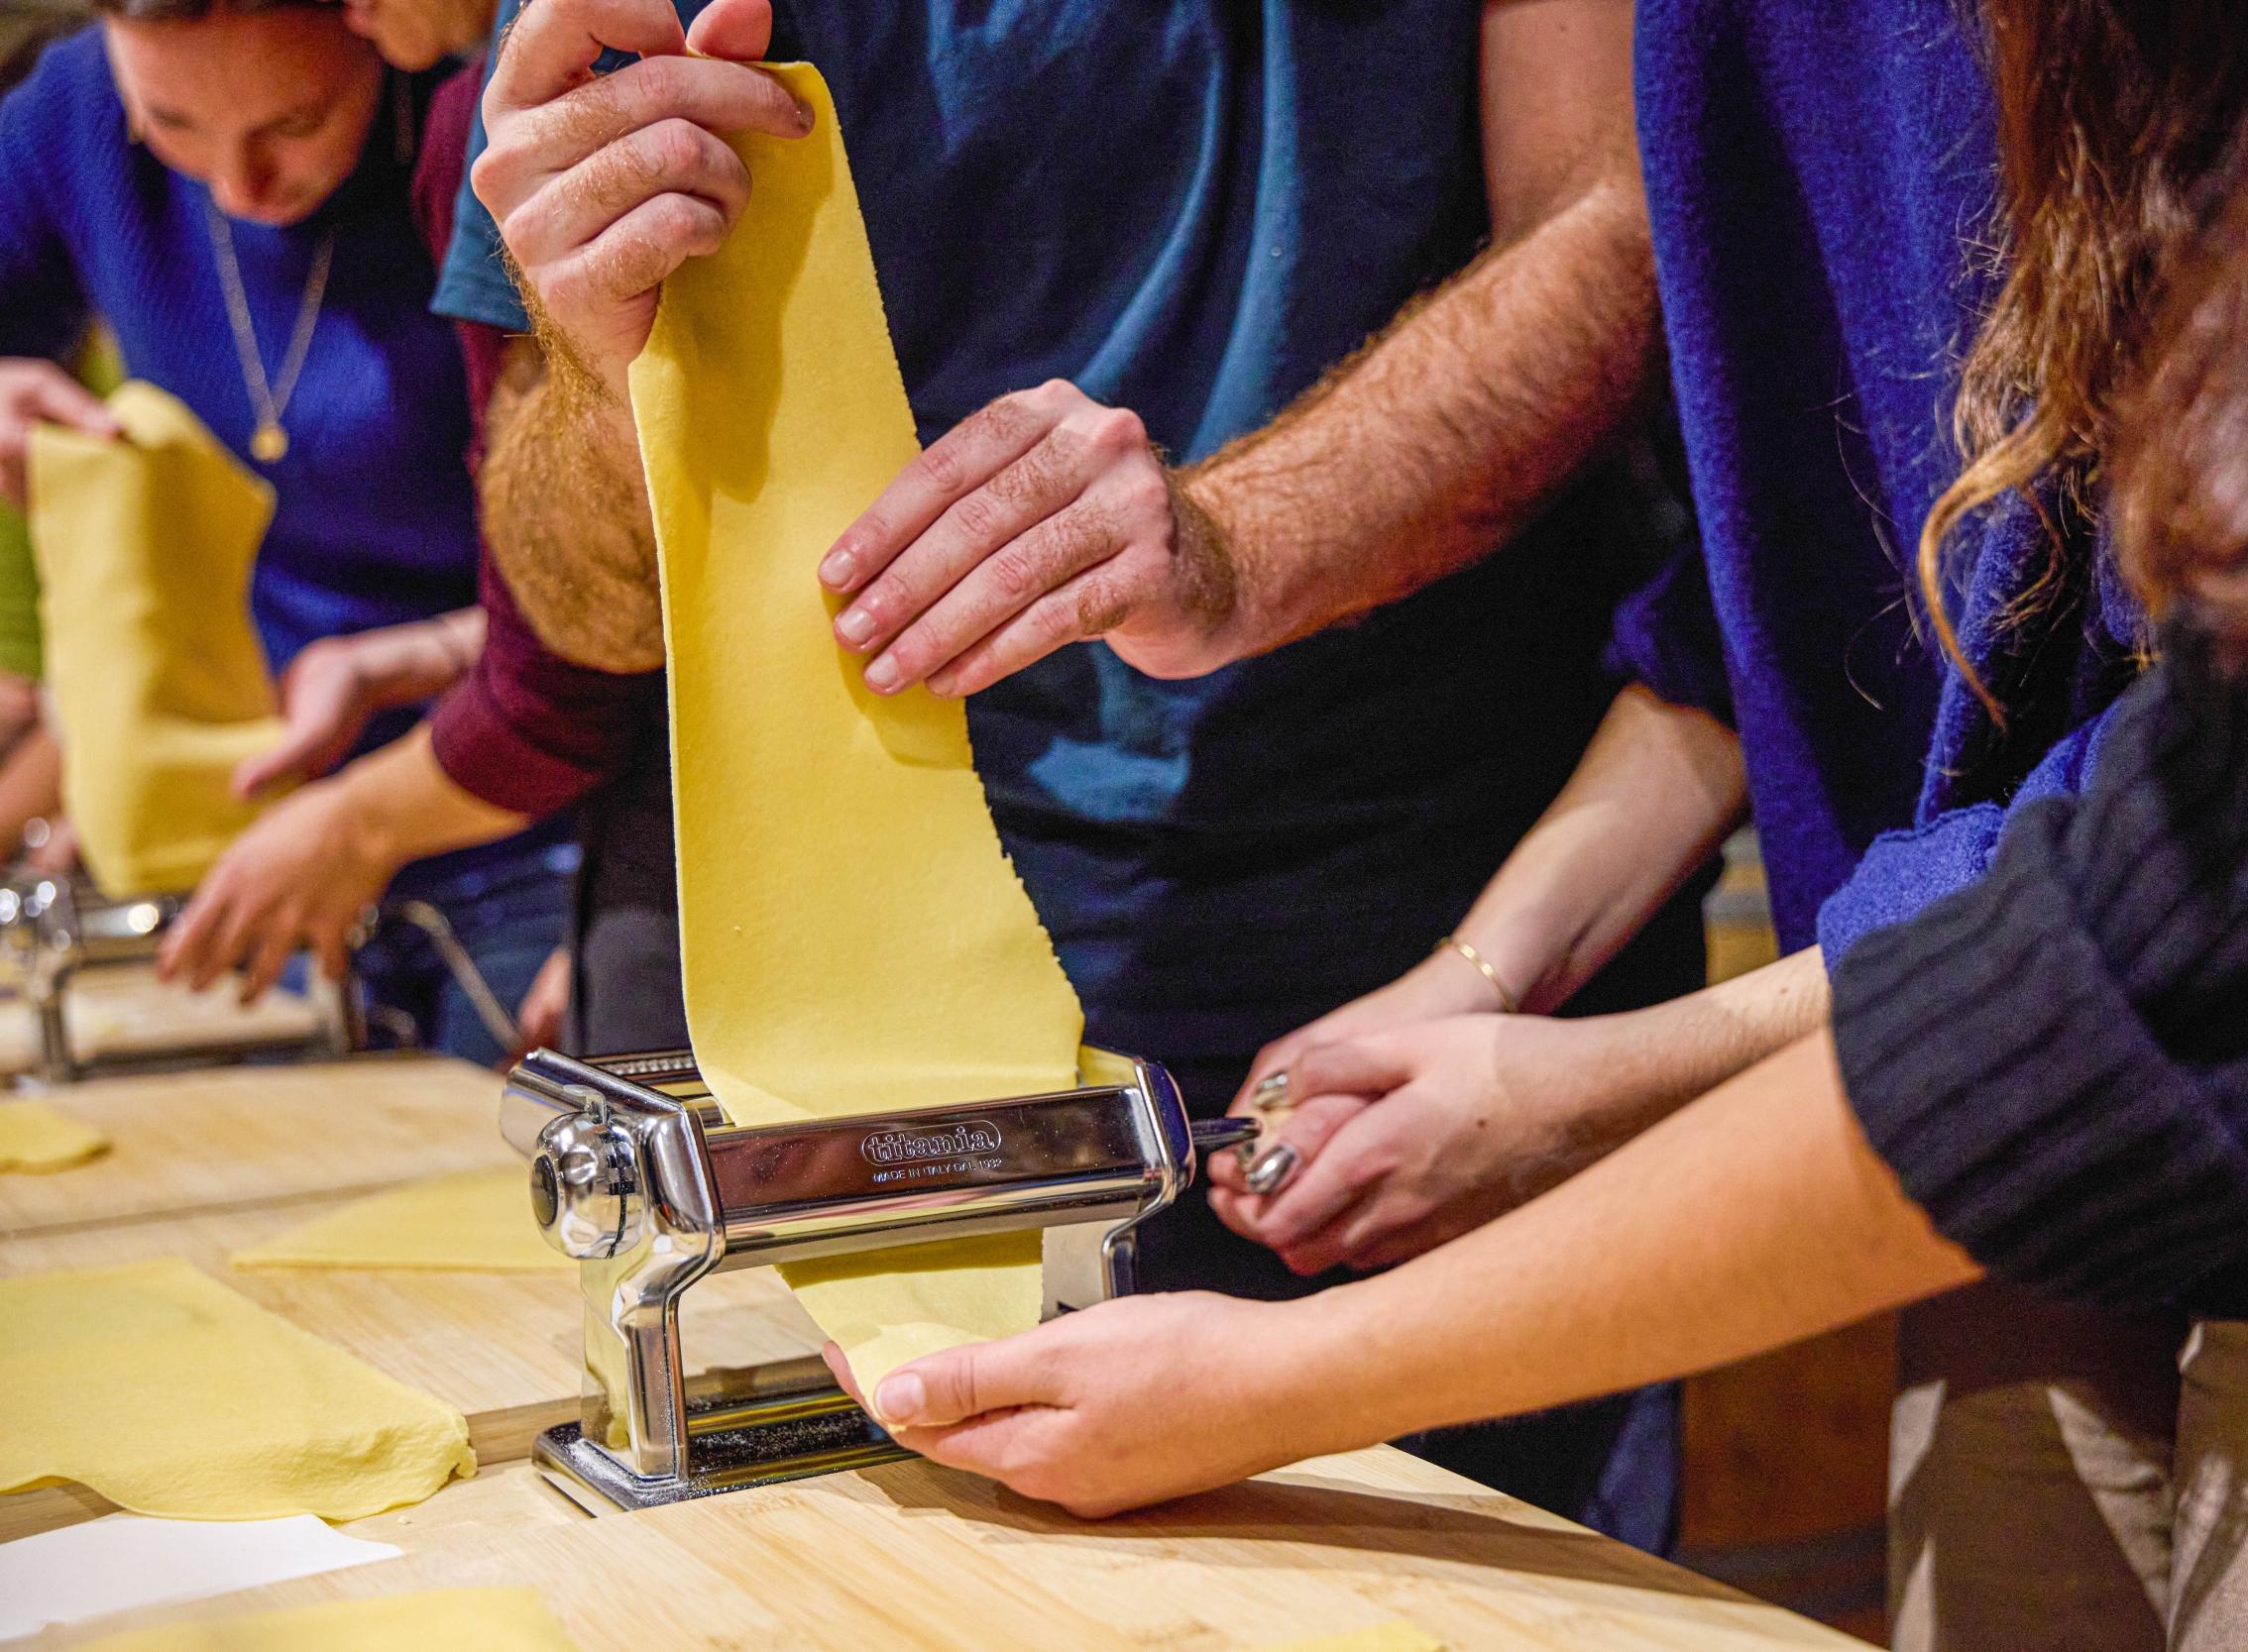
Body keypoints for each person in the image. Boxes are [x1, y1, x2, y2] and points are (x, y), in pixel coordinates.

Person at [856, 1, 2248, 1646]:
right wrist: (1485, 981)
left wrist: (1287, 1366)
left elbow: (2160, 929)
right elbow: (1776, 598)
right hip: (2018, 1173)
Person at [454, 0, 1714, 1544]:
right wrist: (602, 374)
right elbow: (575, 601)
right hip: (786, 995)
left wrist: (1241, 538)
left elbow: (1613, 227)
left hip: (1383, 937)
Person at [0, 0, 571, 1065]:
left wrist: (642, 910)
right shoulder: (71, 114)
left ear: (378, 22)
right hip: (269, 826)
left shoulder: (487, 124)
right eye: (169, 124)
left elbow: (625, 612)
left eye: (294, 122)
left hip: (543, 811)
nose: (237, 185)